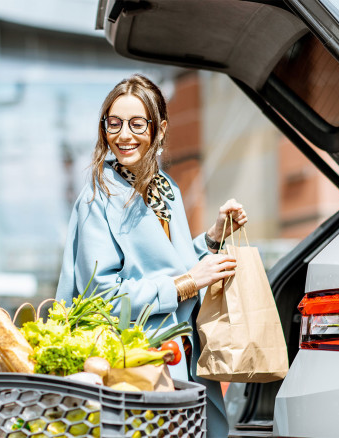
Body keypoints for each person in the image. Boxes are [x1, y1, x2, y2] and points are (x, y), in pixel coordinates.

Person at [55, 74, 248, 437]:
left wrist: (210, 240)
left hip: (181, 358)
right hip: (133, 368)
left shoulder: (166, 190)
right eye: (113, 123)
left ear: (159, 129)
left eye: (136, 123)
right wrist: (189, 282)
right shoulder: (99, 198)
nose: (123, 135)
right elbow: (101, 299)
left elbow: (168, 267)